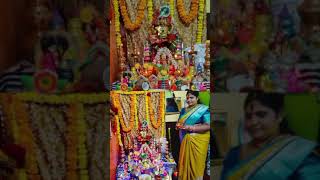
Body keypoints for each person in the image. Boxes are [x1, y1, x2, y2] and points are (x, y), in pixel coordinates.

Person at [221, 92, 320, 180]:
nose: (253, 122)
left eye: (261, 114)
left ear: (280, 115)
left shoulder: (299, 151)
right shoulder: (234, 154)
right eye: (248, 116)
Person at [176, 90, 210, 180]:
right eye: (187, 98)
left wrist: (191, 128)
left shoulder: (203, 109)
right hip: (185, 139)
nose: (189, 100)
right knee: (185, 163)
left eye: (192, 98)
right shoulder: (183, 110)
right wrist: (178, 126)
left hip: (198, 142)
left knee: (196, 165)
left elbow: (208, 125)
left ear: (197, 98)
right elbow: (180, 122)